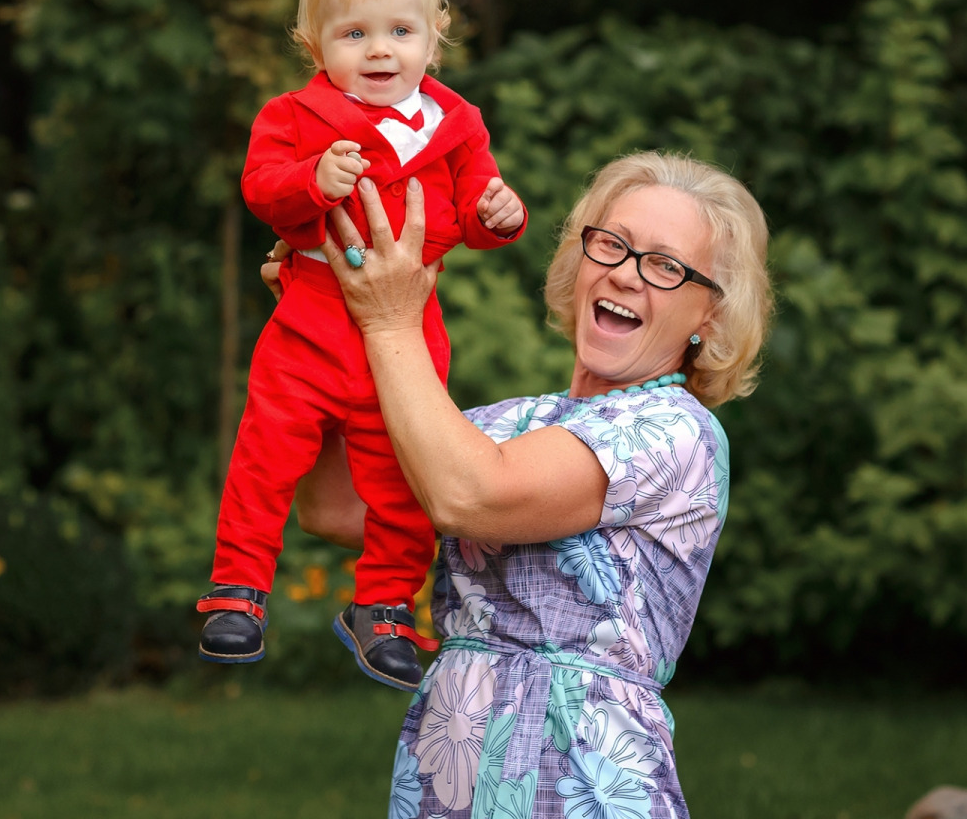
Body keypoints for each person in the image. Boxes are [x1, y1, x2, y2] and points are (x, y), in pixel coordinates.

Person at [299, 150, 771, 819]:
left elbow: (470, 496)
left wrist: (391, 322)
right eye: (611, 244)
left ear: (710, 318)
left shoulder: (675, 431)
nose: (626, 274)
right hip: (451, 770)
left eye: (666, 266)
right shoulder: (506, 424)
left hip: (577, 783)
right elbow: (337, 505)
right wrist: (326, 321)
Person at [199, 0, 527, 691]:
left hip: (410, 329)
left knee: (406, 478)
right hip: (313, 316)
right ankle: (237, 592)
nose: (380, 51)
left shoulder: (455, 123)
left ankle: (383, 608)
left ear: (434, 38)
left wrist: (497, 214)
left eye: (400, 31)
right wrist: (314, 178)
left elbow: (472, 213)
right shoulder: (294, 117)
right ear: (315, 45)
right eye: (355, 33)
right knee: (266, 456)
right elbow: (262, 189)